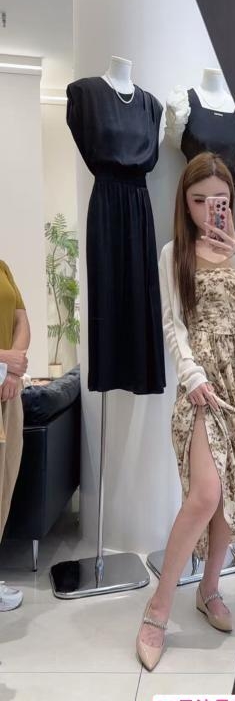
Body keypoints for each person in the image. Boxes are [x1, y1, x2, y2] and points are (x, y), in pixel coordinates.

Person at [136, 152, 235, 670]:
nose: (209, 210)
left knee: (230, 496)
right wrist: (191, 376)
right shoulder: (174, 253)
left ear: (230, 202)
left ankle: (209, 588)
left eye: (219, 200)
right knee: (206, 494)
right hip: (204, 384)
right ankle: (158, 608)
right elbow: (173, 323)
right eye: (199, 201)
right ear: (185, 202)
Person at [0, 260, 30, 611]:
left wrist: (11, 370)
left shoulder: (3, 268)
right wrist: (2, 359)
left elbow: (22, 321)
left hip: (8, 392)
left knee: (4, 485)